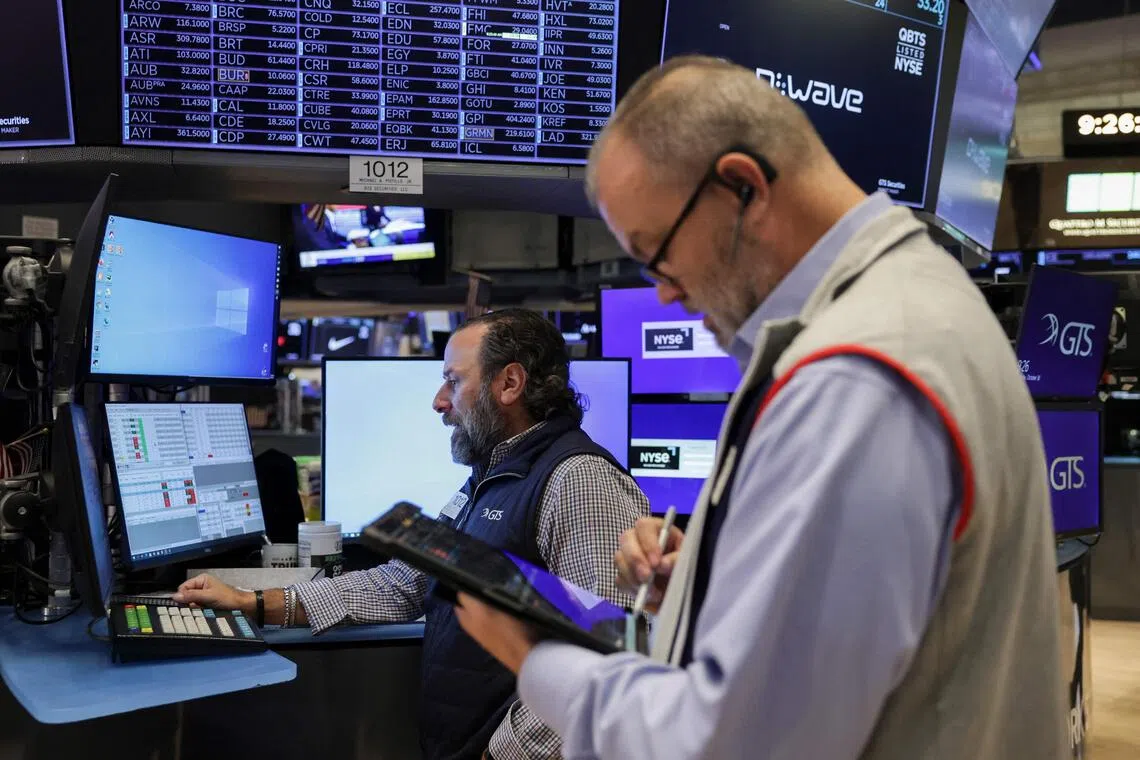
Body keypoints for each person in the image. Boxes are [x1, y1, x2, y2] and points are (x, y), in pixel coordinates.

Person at [454, 55, 1068, 759]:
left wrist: (538, 657)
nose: (663, 294)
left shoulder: (856, 381)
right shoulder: (918, 297)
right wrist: (714, 579)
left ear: (742, 186)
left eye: (657, 254)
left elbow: (725, 745)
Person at [175, 309, 650, 760]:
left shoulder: (580, 481)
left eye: (453, 380)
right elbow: (404, 583)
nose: (439, 401)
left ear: (509, 383)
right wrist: (255, 603)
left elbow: (605, 656)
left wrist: (501, 755)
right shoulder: (492, 478)